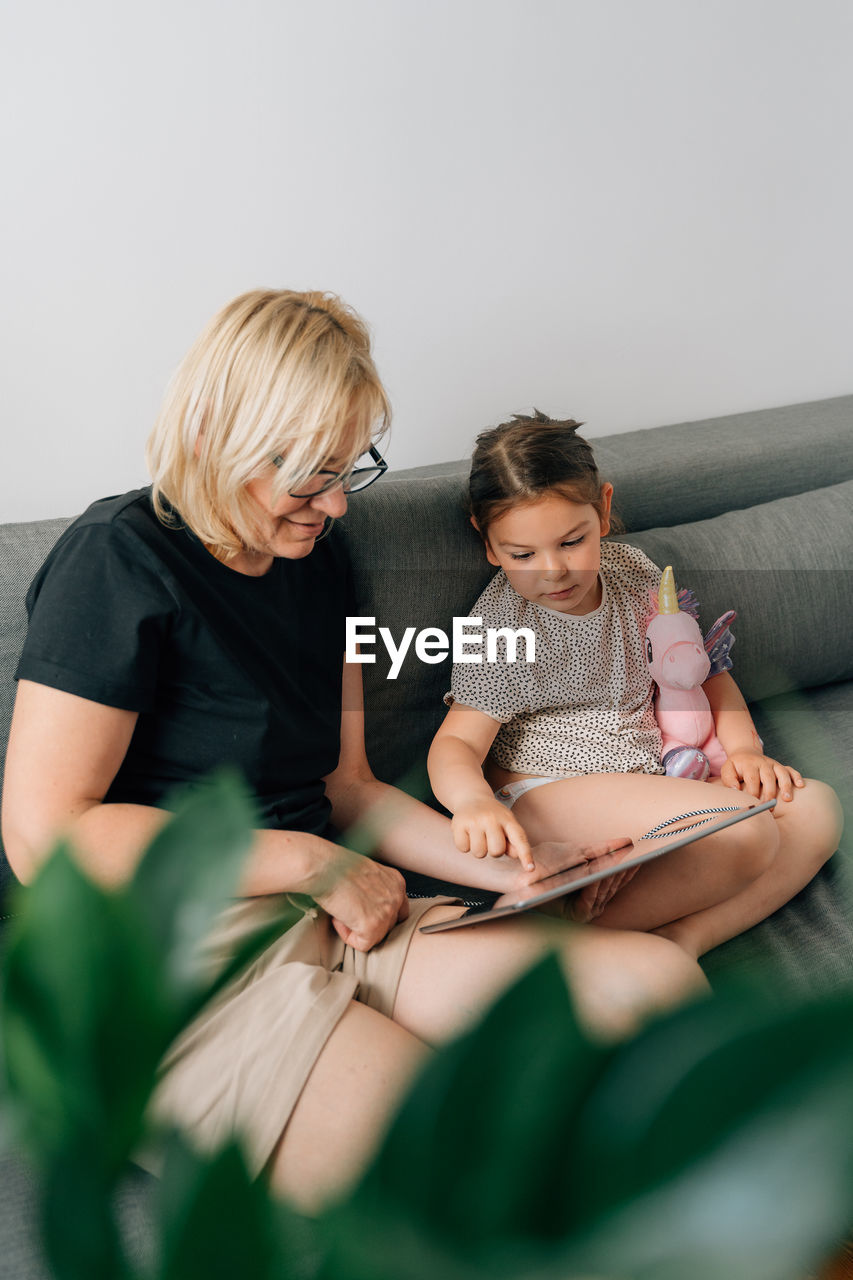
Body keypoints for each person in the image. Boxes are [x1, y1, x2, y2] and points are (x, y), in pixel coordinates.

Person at [2, 294, 707, 1213]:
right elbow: (44, 835)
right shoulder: (115, 562)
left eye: (349, 469)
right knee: (462, 1166)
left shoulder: (317, 559)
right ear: (220, 432)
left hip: (336, 911)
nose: (334, 505)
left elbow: (345, 785)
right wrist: (311, 861)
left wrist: (514, 870)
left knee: (659, 988)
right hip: (168, 957)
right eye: (308, 476)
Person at [428, 411, 843, 958]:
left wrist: (744, 751)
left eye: (571, 542)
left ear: (602, 509)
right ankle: (544, 941)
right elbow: (456, 743)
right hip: (546, 790)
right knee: (745, 833)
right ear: (488, 544)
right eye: (522, 555)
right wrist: (473, 804)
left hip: (647, 779)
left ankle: (682, 938)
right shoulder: (502, 629)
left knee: (817, 809)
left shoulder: (634, 573)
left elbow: (702, 671)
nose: (552, 571)